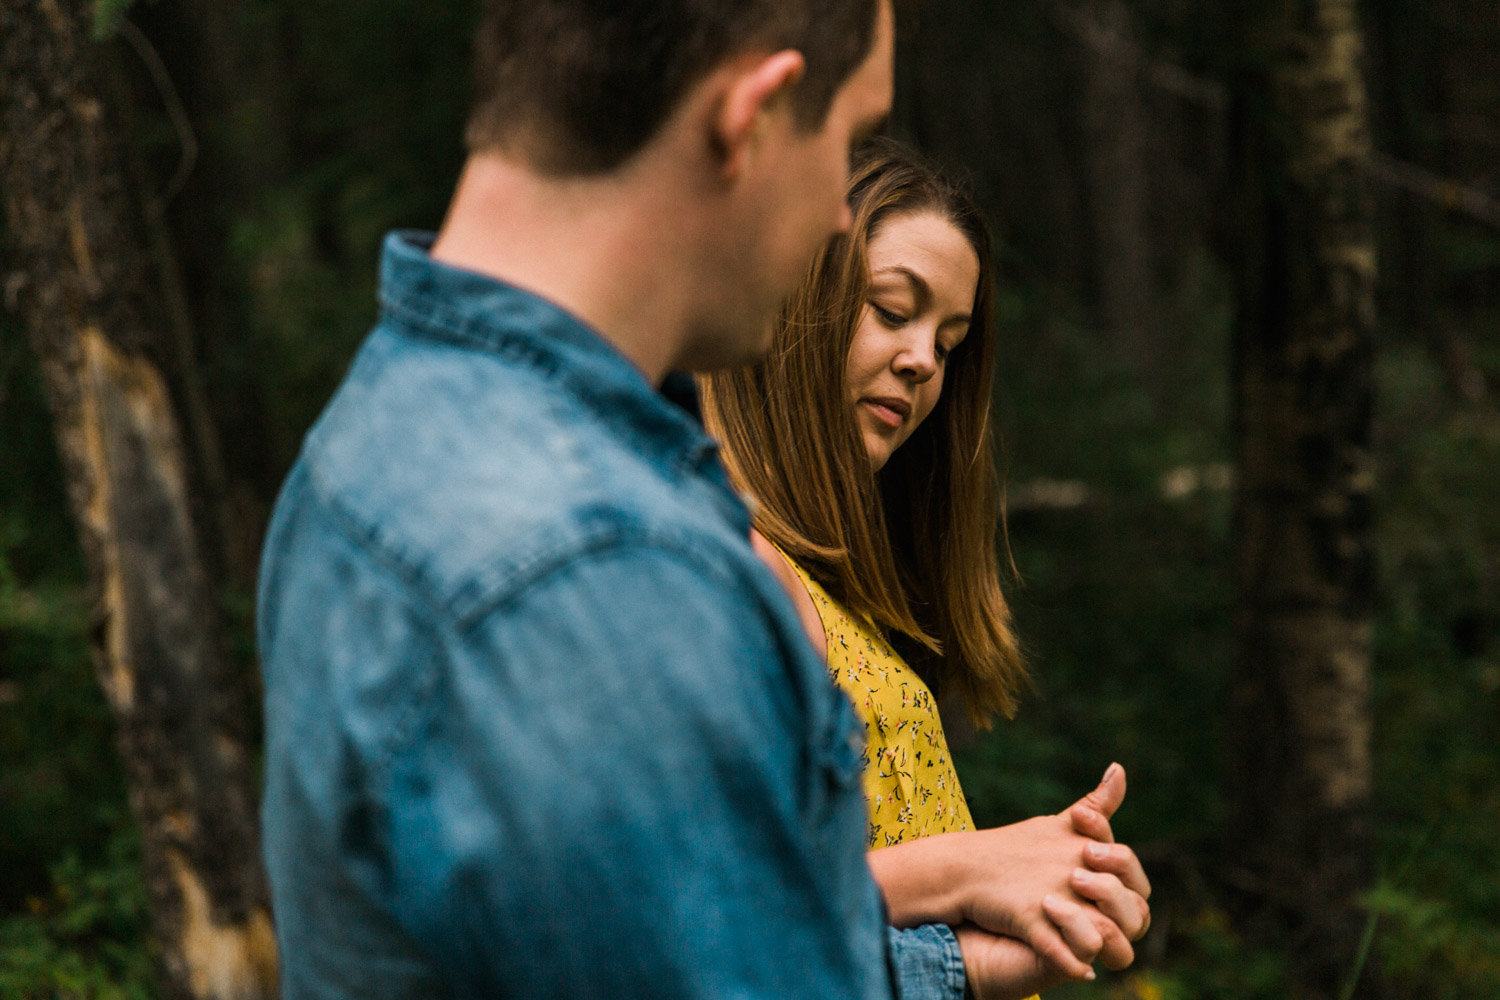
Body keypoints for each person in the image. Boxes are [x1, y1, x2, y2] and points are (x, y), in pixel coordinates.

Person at [256, 3, 1147, 998]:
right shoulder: (609, 568)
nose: (837, 217)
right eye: (844, 140)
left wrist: (945, 962)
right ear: (752, 118)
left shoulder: (363, 440)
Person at [700, 138, 1151, 995]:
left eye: (948, 343)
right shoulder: (730, 561)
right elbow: (719, 910)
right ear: (793, 298)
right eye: (891, 309)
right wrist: (973, 869)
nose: (921, 362)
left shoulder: (818, 582)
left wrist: (1048, 875)